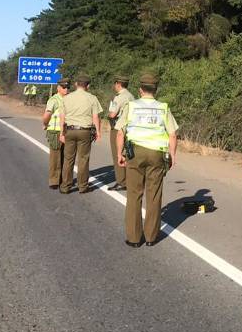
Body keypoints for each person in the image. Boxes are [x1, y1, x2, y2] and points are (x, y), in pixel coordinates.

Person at [116, 74, 177, 248]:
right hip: (157, 154)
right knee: (154, 195)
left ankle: (134, 238)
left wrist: (120, 153)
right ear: (155, 89)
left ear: (140, 90)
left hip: (135, 153)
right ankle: (151, 236)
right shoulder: (163, 108)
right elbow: (172, 134)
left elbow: (120, 132)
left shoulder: (132, 106)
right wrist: (172, 155)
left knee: (134, 195)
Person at [59, 75, 103, 194]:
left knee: (68, 159)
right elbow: (95, 117)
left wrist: (61, 133)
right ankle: (82, 186)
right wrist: (98, 132)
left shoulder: (66, 98)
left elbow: (62, 117)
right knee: (83, 159)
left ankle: (65, 186)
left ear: (76, 84)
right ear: (88, 86)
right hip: (85, 131)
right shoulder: (92, 98)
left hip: (69, 130)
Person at [107, 75, 134, 191]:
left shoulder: (118, 97)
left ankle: (121, 181)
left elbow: (112, 114)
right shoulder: (131, 96)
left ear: (118, 84)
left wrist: (108, 116)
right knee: (128, 153)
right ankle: (129, 179)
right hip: (130, 128)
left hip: (118, 128)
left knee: (117, 154)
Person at [42, 78, 70, 190]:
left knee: (67, 157)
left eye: (67, 87)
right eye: (64, 87)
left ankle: (64, 179)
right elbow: (47, 114)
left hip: (68, 131)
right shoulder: (54, 100)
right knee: (55, 157)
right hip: (55, 131)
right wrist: (45, 124)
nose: (66, 89)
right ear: (58, 88)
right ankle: (54, 180)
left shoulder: (70, 99)